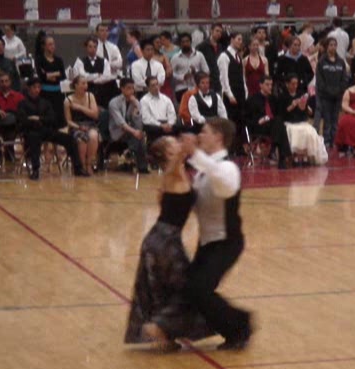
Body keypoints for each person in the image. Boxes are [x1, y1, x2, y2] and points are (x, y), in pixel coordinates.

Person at [125, 136, 212, 350]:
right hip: (162, 241)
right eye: (174, 143)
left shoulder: (180, 173)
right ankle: (159, 329)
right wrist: (185, 149)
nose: (179, 143)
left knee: (167, 289)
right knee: (183, 286)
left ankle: (165, 335)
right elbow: (174, 165)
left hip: (165, 238)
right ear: (168, 154)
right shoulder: (171, 172)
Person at [182, 118, 253, 350]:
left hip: (227, 242)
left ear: (218, 137)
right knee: (191, 288)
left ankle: (240, 325)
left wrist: (195, 154)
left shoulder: (228, 168)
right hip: (208, 242)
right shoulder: (203, 172)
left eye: (205, 132)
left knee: (200, 289)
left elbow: (223, 183)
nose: (200, 136)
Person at [17, 78, 86, 180]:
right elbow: (23, 120)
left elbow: (52, 118)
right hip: (31, 131)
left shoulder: (45, 102)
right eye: (34, 87)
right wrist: (38, 121)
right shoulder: (22, 104)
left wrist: (39, 118)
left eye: (38, 87)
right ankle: (35, 170)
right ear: (29, 88)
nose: (37, 90)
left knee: (69, 139)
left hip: (46, 130)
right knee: (34, 138)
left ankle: (78, 168)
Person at [244, 76, 292, 169]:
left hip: (272, 127)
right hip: (258, 126)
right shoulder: (252, 99)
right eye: (267, 85)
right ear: (261, 85)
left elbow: (280, 114)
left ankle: (276, 151)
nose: (270, 87)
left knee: (279, 122)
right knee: (280, 125)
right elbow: (246, 119)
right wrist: (258, 121)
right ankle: (282, 155)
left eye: (271, 85)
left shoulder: (273, 99)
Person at [280, 74, 327, 166]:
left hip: (301, 121)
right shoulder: (283, 96)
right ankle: (295, 156)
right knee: (295, 131)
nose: (295, 86)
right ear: (287, 84)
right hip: (290, 122)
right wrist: (292, 105)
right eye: (292, 84)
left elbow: (309, 112)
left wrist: (304, 106)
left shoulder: (300, 94)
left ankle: (306, 156)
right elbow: (282, 113)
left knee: (310, 131)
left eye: (296, 83)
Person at [108, 78, 148, 173]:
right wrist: (135, 132)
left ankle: (130, 153)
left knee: (140, 134)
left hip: (131, 131)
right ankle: (141, 165)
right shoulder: (114, 103)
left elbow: (139, 123)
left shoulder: (135, 102)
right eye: (128, 88)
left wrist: (136, 108)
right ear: (122, 89)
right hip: (118, 131)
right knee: (138, 136)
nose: (131, 91)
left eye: (133, 88)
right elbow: (121, 123)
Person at [316, 37, 349, 148]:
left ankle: (335, 141)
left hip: (338, 95)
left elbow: (344, 78)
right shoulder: (321, 62)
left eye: (335, 45)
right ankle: (326, 141)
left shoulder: (341, 62)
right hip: (325, 96)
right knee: (327, 120)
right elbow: (320, 80)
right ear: (327, 46)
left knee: (335, 120)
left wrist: (339, 90)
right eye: (331, 45)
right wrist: (328, 90)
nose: (333, 47)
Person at [218, 32, 248, 153]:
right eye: (238, 39)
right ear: (232, 40)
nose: (240, 42)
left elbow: (242, 77)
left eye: (241, 40)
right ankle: (229, 148)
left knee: (240, 121)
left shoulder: (238, 56)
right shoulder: (224, 56)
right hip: (231, 94)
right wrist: (229, 94)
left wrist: (245, 91)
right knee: (231, 122)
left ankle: (239, 147)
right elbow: (223, 78)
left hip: (240, 93)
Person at [64, 76, 100, 176]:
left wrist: (80, 107)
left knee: (93, 136)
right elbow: (68, 121)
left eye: (86, 83)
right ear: (76, 85)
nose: (85, 86)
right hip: (76, 126)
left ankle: (89, 164)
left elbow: (95, 115)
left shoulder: (90, 96)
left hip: (90, 124)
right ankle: (82, 165)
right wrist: (79, 127)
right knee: (81, 139)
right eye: (83, 83)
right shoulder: (68, 100)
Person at [73, 36, 117, 109]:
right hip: (86, 92)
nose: (93, 49)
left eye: (95, 47)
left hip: (102, 92)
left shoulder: (104, 61)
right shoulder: (79, 61)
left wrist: (92, 79)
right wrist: (97, 75)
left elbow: (106, 77)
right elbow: (82, 76)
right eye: (90, 47)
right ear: (86, 47)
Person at [35, 35, 66, 128]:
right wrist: (55, 73)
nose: (52, 46)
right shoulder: (39, 60)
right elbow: (41, 76)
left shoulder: (59, 60)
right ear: (44, 46)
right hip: (45, 94)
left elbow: (63, 75)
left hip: (58, 94)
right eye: (49, 44)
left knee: (58, 118)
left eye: (53, 44)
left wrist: (49, 75)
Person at [172, 32, 210, 104]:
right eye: (183, 42)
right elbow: (171, 74)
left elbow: (206, 71)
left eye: (187, 41)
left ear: (191, 42)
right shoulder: (175, 58)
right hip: (181, 88)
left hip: (197, 87)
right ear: (180, 44)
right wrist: (182, 77)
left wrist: (196, 72)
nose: (185, 44)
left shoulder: (199, 55)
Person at [141, 77, 178, 144]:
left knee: (178, 126)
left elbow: (172, 114)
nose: (156, 87)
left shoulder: (166, 99)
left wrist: (170, 124)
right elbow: (146, 119)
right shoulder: (144, 100)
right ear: (148, 88)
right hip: (154, 126)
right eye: (153, 85)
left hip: (167, 124)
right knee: (153, 129)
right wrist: (161, 125)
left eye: (157, 84)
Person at [197, 24, 224, 93]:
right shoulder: (202, 46)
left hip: (218, 80)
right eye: (217, 31)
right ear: (211, 31)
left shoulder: (220, 47)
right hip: (207, 81)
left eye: (220, 32)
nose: (219, 34)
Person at [152, 35, 174, 99]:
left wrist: (168, 71)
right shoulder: (148, 57)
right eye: (157, 42)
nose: (159, 44)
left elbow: (169, 70)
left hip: (164, 83)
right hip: (152, 84)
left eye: (160, 43)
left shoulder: (164, 56)